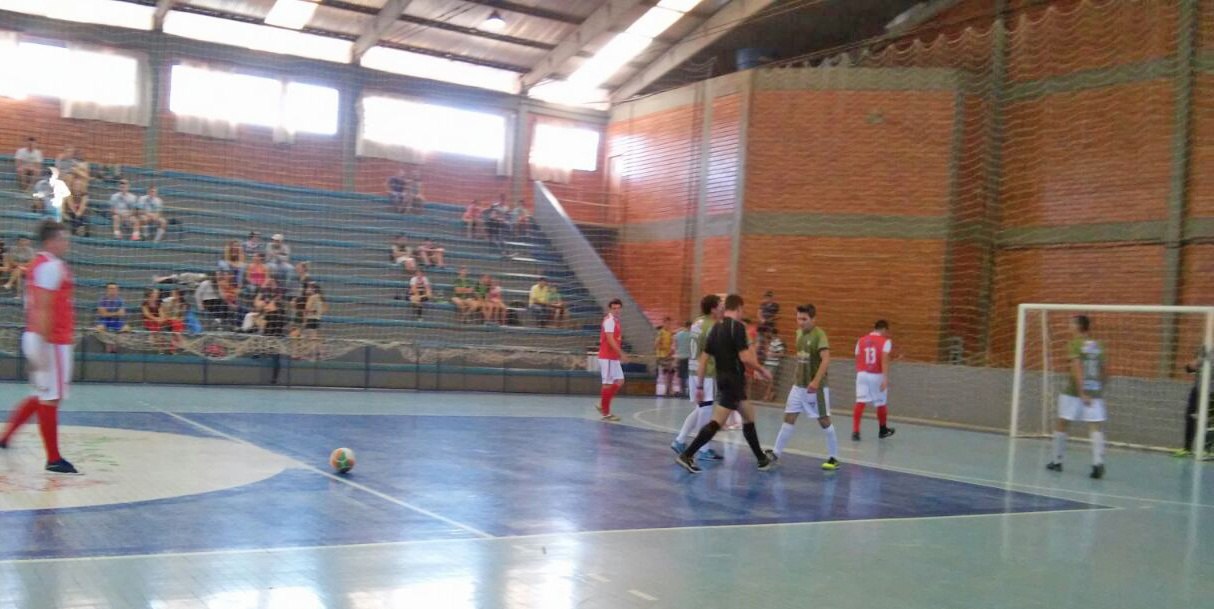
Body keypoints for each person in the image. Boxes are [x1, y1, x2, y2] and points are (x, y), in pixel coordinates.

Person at [0, 221, 79, 473]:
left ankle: (6, 436)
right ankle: (53, 459)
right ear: (50, 241)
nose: (67, 243)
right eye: (63, 239)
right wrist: (45, 344)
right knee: (50, 398)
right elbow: (43, 308)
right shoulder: (51, 266)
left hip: (40, 337)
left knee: (42, 394)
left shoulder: (38, 265)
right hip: (50, 340)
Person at [676, 294, 776, 474]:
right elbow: (745, 357)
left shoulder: (716, 328)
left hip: (723, 380)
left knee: (749, 417)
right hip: (733, 382)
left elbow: (704, 359)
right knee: (716, 422)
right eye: (742, 310)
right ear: (739, 308)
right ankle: (688, 454)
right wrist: (762, 370)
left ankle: (761, 459)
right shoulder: (736, 327)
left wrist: (699, 386)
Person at [771, 304, 841, 471]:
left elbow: (825, 359)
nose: (800, 322)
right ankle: (775, 453)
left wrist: (816, 381)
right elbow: (801, 359)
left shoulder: (819, 335)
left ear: (813, 319)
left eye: (804, 319)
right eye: (798, 318)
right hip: (798, 386)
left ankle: (834, 457)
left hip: (815, 388)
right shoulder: (798, 334)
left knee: (824, 420)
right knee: (789, 418)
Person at [1047, 315, 1108, 479]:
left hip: (1074, 391)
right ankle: (1097, 462)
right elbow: (1105, 370)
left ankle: (1057, 461)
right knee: (1095, 426)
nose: (1069, 326)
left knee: (1062, 422)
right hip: (1095, 391)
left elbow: (1077, 368)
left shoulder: (1074, 344)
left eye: (1070, 323)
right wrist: (1099, 388)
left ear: (1077, 326)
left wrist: (1082, 392)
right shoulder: (1098, 345)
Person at [672, 296, 725, 460]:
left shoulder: (697, 322)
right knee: (706, 410)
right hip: (706, 371)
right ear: (714, 308)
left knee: (700, 408)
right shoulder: (714, 326)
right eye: (721, 305)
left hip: (693, 369)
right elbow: (714, 351)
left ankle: (680, 440)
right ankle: (703, 449)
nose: (723, 307)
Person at [853, 320, 895, 441]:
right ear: (884, 329)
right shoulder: (885, 342)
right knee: (881, 402)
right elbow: (884, 360)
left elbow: (857, 356)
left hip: (861, 374)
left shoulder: (860, 340)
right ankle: (882, 429)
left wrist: (861, 370)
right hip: (876, 374)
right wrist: (885, 378)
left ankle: (855, 431)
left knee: (860, 401)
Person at [1176, 346, 1212, 457]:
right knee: (1190, 417)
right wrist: (1194, 364)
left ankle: (1207, 450)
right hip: (1198, 390)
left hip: (1212, 392)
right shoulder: (1205, 347)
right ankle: (1187, 448)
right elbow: (1190, 369)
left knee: (1210, 420)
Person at [597, 299, 627, 422]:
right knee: (607, 384)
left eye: (618, 308)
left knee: (620, 381)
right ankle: (606, 413)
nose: (616, 310)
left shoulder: (616, 321)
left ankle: (602, 403)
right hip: (607, 357)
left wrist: (618, 354)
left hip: (613, 357)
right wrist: (622, 354)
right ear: (610, 309)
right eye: (614, 308)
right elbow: (610, 339)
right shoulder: (609, 321)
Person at [95, 283, 128, 353]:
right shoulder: (102, 300)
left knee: (126, 328)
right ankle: (108, 345)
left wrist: (109, 313)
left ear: (117, 290)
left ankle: (115, 344)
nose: (113, 290)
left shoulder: (120, 300)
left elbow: (122, 314)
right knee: (99, 328)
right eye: (110, 288)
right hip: (105, 321)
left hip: (117, 321)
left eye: (114, 289)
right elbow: (103, 314)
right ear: (107, 290)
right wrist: (116, 313)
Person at [303, 284, 327, 360]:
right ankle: (322, 352)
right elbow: (325, 309)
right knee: (315, 336)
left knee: (312, 337)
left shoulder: (312, 297)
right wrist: (317, 312)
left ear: (313, 289)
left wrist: (307, 312)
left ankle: (311, 354)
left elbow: (307, 308)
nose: (308, 289)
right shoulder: (319, 297)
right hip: (316, 319)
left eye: (309, 288)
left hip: (311, 319)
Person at [654, 317, 676, 397]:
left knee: (672, 372)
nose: (668, 325)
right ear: (664, 323)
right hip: (662, 355)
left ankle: (669, 389)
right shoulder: (661, 332)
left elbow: (672, 343)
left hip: (669, 355)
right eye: (667, 323)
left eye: (670, 323)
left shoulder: (670, 332)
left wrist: (672, 349)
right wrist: (662, 347)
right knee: (667, 371)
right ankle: (668, 389)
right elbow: (656, 344)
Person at [674, 320, 692, 398]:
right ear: (689, 326)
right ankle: (689, 392)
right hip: (689, 357)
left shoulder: (678, 335)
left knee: (681, 376)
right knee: (689, 375)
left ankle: (682, 391)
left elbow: (676, 346)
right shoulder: (691, 335)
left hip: (680, 357)